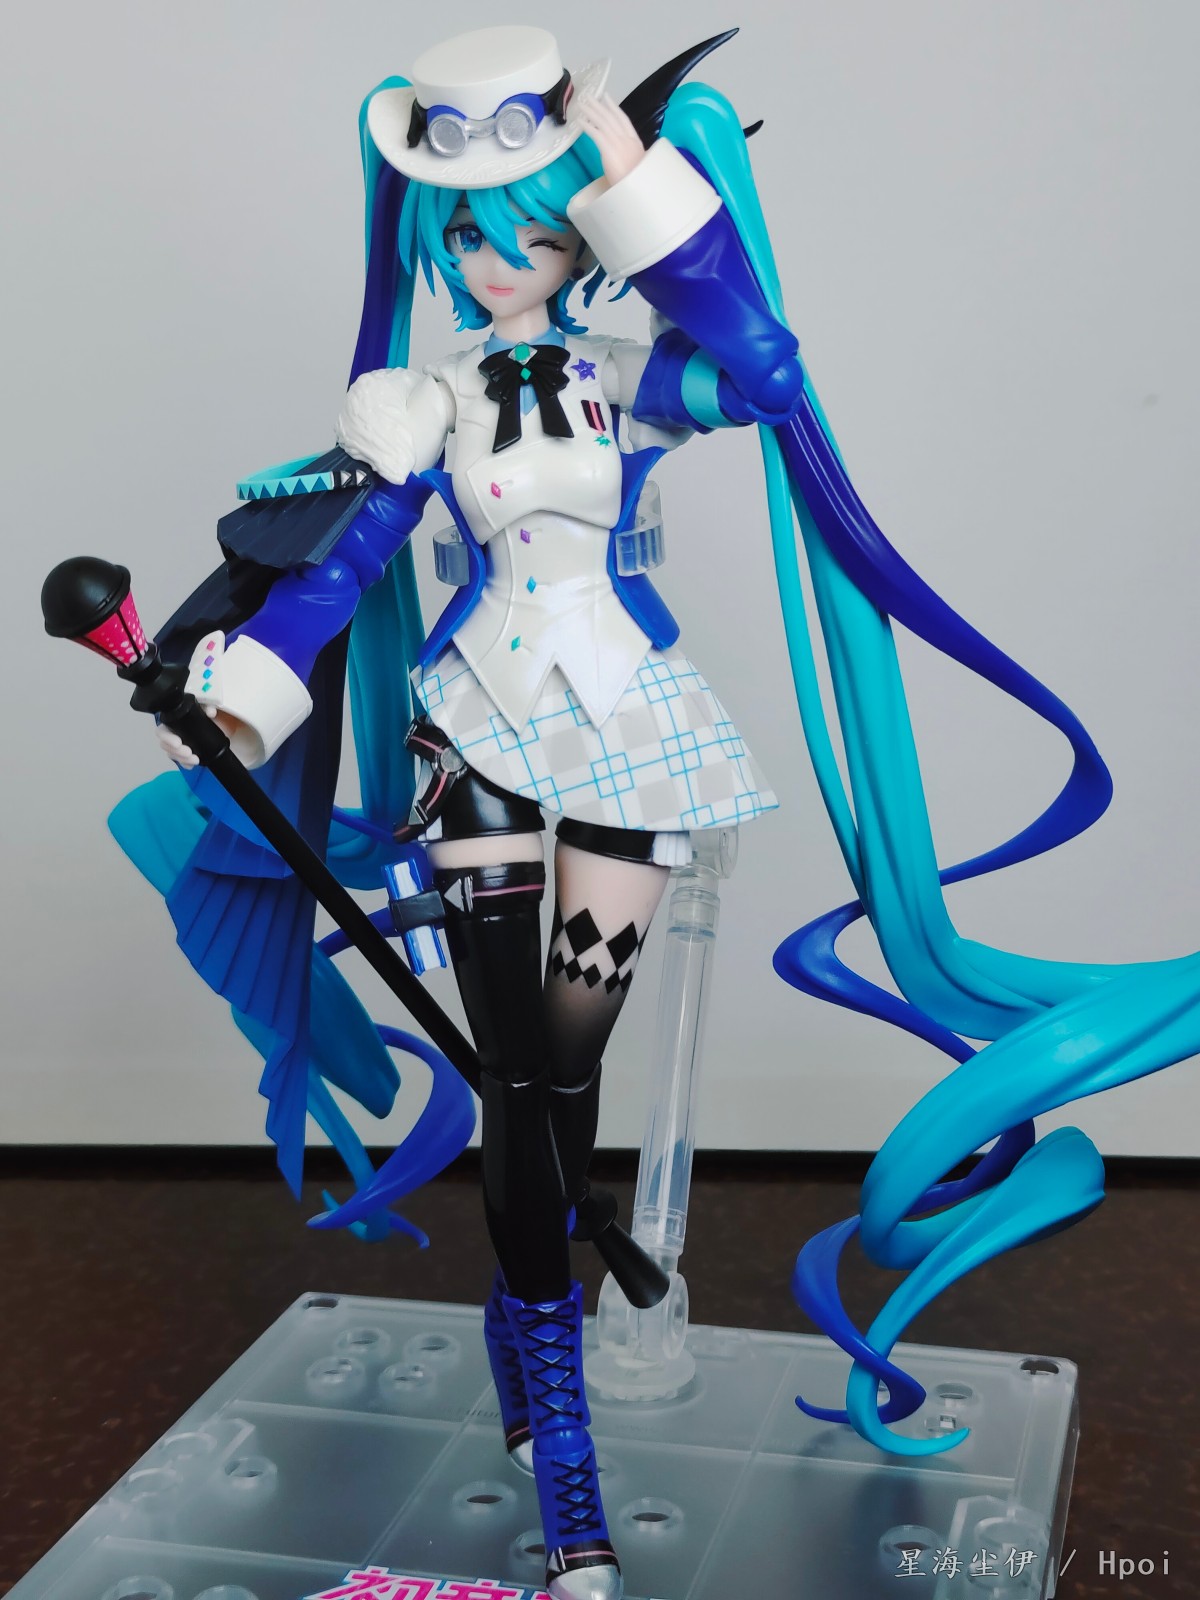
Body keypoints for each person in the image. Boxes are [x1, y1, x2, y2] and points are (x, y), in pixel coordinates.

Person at [110, 20, 1200, 1600]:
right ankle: (562, 1425)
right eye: (467, 231)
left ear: (579, 231)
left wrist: (631, 178)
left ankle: (522, 1310)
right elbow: (342, 572)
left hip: (629, 725)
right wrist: (240, 701)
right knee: (516, 1071)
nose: (494, 257)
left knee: (564, 1060)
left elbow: (768, 372)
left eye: (530, 226)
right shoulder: (416, 405)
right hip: (480, 730)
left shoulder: (630, 379)